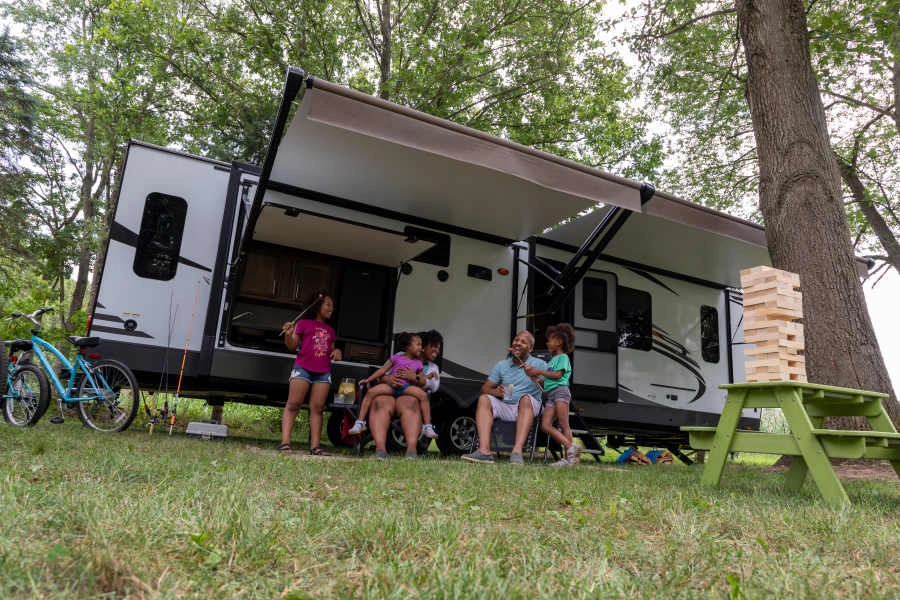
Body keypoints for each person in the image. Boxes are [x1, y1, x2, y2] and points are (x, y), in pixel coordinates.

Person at [461, 330, 547, 465]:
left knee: (525, 399)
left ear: (530, 348)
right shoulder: (502, 365)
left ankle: (517, 452)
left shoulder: (540, 364)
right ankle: (484, 451)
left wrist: (535, 376)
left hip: (530, 406)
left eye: (523, 342)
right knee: (484, 399)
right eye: (516, 340)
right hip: (507, 405)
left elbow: (550, 388)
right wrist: (497, 393)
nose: (517, 343)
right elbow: (485, 389)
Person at [278, 290, 342, 455]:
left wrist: (337, 352)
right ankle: (285, 443)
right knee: (293, 404)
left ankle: (315, 447)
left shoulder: (330, 330)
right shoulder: (303, 324)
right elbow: (292, 346)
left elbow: (332, 350)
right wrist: (288, 334)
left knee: (318, 408)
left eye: (332, 305)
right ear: (317, 305)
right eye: (328, 304)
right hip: (303, 369)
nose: (331, 308)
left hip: (323, 372)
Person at [348, 332, 431, 436]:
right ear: (408, 346)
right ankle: (360, 422)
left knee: (423, 396)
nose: (421, 348)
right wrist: (368, 380)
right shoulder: (396, 358)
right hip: (391, 387)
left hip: (405, 387)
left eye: (421, 345)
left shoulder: (418, 363)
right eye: (418, 344)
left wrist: (414, 377)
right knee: (371, 392)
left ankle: (427, 426)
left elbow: (422, 379)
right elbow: (382, 370)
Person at [525, 323, 581, 466]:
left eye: (550, 339)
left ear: (559, 341)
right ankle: (570, 448)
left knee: (563, 424)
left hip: (561, 391)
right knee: (545, 425)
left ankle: (569, 459)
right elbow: (544, 383)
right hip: (550, 395)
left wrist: (539, 371)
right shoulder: (552, 360)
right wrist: (534, 377)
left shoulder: (563, 357)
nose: (547, 342)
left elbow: (557, 376)